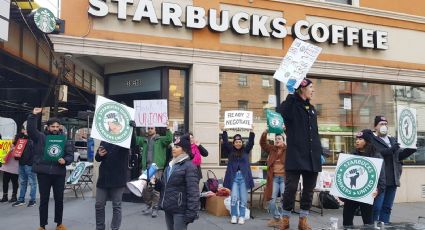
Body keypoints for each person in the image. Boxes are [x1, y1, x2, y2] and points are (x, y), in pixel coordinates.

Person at [278, 78, 322, 230]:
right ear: (302, 88)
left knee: (309, 190)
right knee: (291, 188)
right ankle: (285, 218)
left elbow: (315, 133)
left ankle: (303, 219)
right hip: (296, 155)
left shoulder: (312, 108)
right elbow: (281, 111)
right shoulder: (292, 105)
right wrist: (290, 93)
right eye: (311, 87)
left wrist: (320, 151)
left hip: (312, 156)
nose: (313, 90)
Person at [28, 108, 74, 230]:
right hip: (44, 174)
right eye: (52, 126)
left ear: (60, 127)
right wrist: (33, 115)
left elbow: (70, 155)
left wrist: (65, 160)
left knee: (59, 200)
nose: (55, 128)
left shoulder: (65, 139)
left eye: (57, 126)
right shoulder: (40, 137)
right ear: (48, 127)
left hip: (59, 173)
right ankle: (42, 226)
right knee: (44, 200)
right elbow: (31, 130)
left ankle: (59, 224)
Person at [371, 116, 416, 223]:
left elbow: (398, 156)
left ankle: (385, 226)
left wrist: (411, 149)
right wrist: (391, 149)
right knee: (376, 208)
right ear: (375, 127)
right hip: (380, 180)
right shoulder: (372, 140)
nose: (384, 126)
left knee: (387, 208)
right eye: (381, 124)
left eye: (386, 123)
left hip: (393, 179)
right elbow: (377, 154)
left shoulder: (392, 140)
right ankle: (373, 226)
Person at [341, 129, 386, 227]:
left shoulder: (376, 156)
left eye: (361, 139)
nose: (357, 141)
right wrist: (341, 193)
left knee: (368, 223)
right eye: (357, 138)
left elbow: (382, 179)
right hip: (351, 195)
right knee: (347, 222)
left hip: (367, 195)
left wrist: (378, 191)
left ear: (367, 141)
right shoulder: (351, 155)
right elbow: (344, 175)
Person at [160, 134, 199, 230]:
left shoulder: (189, 166)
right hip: (169, 207)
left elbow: (193, 192)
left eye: (177, 147)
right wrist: (155, 183)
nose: (173, 148)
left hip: (180, 210)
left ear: (184, 149)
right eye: (173, 146)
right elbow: (166, 186)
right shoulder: (170, 165)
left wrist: (191, 212)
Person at [136, 126, 172, 218]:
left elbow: (169, 139)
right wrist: (132, 129)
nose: (150, 130)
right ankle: (149, 205)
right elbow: (134, 140)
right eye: (148, 128)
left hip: (155, 168)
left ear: (155, 130)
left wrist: (167, 129)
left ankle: (155, 207)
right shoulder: (144, 140)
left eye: (152, 128)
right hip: (146, 168)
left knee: (155, 189)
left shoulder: (160, 139)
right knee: (144, 189)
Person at [222, 129, 255, 225]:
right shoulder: (230, 150)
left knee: (243, 198)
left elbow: (251, 142)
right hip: (234, 178)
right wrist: (224, 131)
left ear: (242, 142)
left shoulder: (246, 150)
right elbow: (224, 141)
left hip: (244, 177)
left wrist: (252, 132)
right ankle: (234, 215)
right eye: (236, 142)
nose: (238, 143)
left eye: (239, 142)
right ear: (233, 143)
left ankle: (241, 216)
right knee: (234, 197)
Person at [95, 141, 129, 230]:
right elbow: (97, 158)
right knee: (99, 204)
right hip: (104, 178)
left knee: (116, 206)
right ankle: (99, 227)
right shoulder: (105, 139)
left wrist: (132, 130)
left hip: (118, 178)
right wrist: (99, 154)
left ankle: (115, 228)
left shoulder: (124, 140)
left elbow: (132, 143)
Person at [259, 129, 287, 227]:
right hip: (274, 179)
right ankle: (276, 218)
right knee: (271, 201)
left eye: (279, 138)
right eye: (275, 139)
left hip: (284, 178)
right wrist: (265, 132)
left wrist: (285, 131)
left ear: (283, 140)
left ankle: (284, 220)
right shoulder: (272, 149)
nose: (277, 140)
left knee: (285, 200)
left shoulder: (288, 149)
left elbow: (293, 142)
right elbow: (262, 143)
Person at [12, 123, 37, 207]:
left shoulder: (34, 140)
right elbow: (16, 147)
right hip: (21, 163)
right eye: (24, 129)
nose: (25, 131)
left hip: (30, 164)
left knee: (32, 183)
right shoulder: (21, 139)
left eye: (26, 130)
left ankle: (32, 200)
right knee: (23, 182)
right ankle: (21, 199)